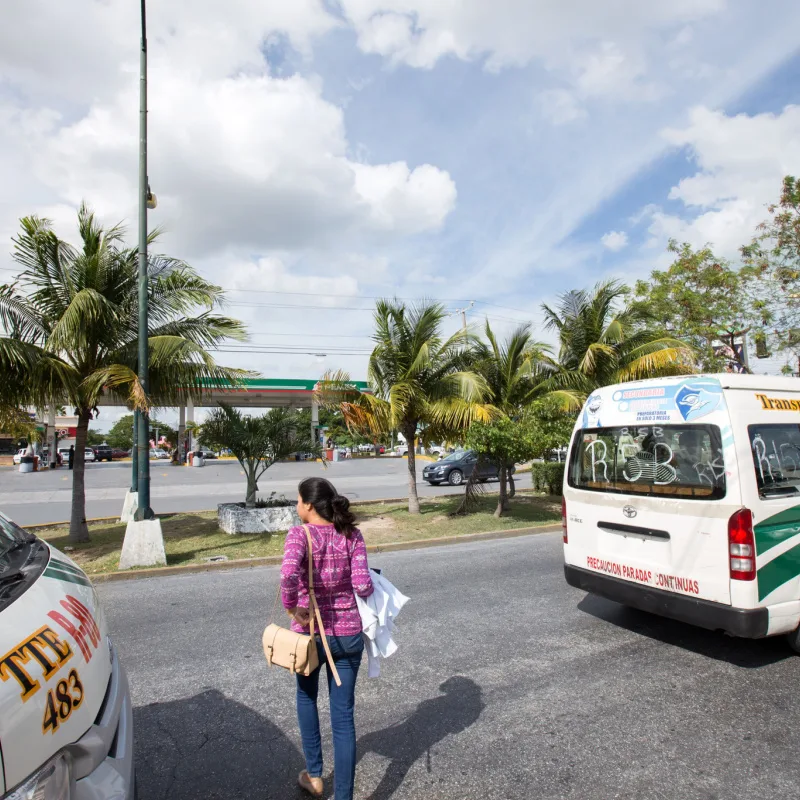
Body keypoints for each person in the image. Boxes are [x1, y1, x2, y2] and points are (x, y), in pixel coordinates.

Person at [280, 477, 374, 800]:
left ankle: (316, 776)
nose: (296, 507)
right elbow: (363, 585)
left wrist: (293, 608)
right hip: (348, 636)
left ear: (308, 505)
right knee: (344, 717)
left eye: (297, 501)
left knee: (307, 698)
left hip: (311, 637)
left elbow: (288, 575)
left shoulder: (299, 535)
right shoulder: (352, 534)